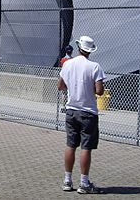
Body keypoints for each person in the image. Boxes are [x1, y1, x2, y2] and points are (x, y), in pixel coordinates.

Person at [57, 35, 105, 194]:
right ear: (90, 50)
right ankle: (84, 183)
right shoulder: (95, 66)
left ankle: (67, 180)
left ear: (78, 47)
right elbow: (99, 91)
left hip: (71, 110)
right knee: (86, 147)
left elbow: (60, 86)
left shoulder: (68, 64)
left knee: (70, 145)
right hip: (88, 112)